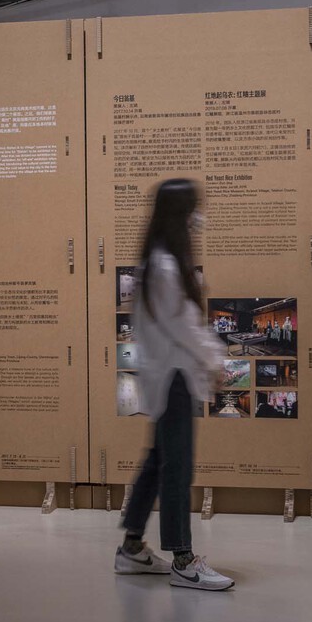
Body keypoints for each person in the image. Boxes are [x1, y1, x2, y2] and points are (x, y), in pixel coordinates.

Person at [114, 179, 235, 592]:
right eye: (195, 209)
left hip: (165, 375)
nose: (199, 217)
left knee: (158, 461)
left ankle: (131, 547)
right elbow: (185, 325)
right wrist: (216, 360)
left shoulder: (154, 262)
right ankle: (183, 558)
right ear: (182, 213)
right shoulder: (166, 266)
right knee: (176, 468)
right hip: (175, 377)